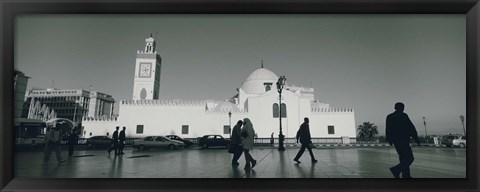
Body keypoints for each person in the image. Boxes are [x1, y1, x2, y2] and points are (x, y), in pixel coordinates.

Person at [386, 102, 420, 178]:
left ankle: (406, 175)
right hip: (403, 140)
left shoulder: (390, 117)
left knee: (403, 158)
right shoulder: (403, 116)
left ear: (395, 107)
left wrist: (389, 139)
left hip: (396, 141)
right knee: (410, 158)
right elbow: (410, 127)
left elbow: (388, 129)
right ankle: (396, 170)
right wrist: (416, 138)